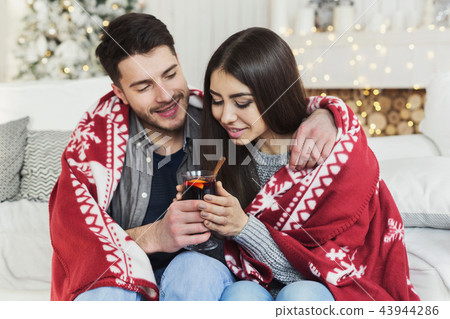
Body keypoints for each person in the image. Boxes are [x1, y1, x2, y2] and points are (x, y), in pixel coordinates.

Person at [49, 13, 339, 301]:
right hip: (123, 277)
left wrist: (328, 113)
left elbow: (273, 107)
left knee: (194, 270)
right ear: (120, 92)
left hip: (202, 273)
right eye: (144, 86)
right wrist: (152, 236)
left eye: (170, 74)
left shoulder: (220, 121)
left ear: (179, 62)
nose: (165, 95)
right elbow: (76, 240)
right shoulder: (97, 141)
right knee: (104, 294)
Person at [187, 27, 420, 301]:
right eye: (217, 101)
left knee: (301, 295)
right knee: (241, 295)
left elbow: (330, 273)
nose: (225, 116)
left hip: (315, 290)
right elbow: (223, 261)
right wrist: (201, 222)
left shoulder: (329, 155)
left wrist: (244, 228)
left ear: (275, 93)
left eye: (242, 102)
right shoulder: (224, 153)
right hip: (250, 285)